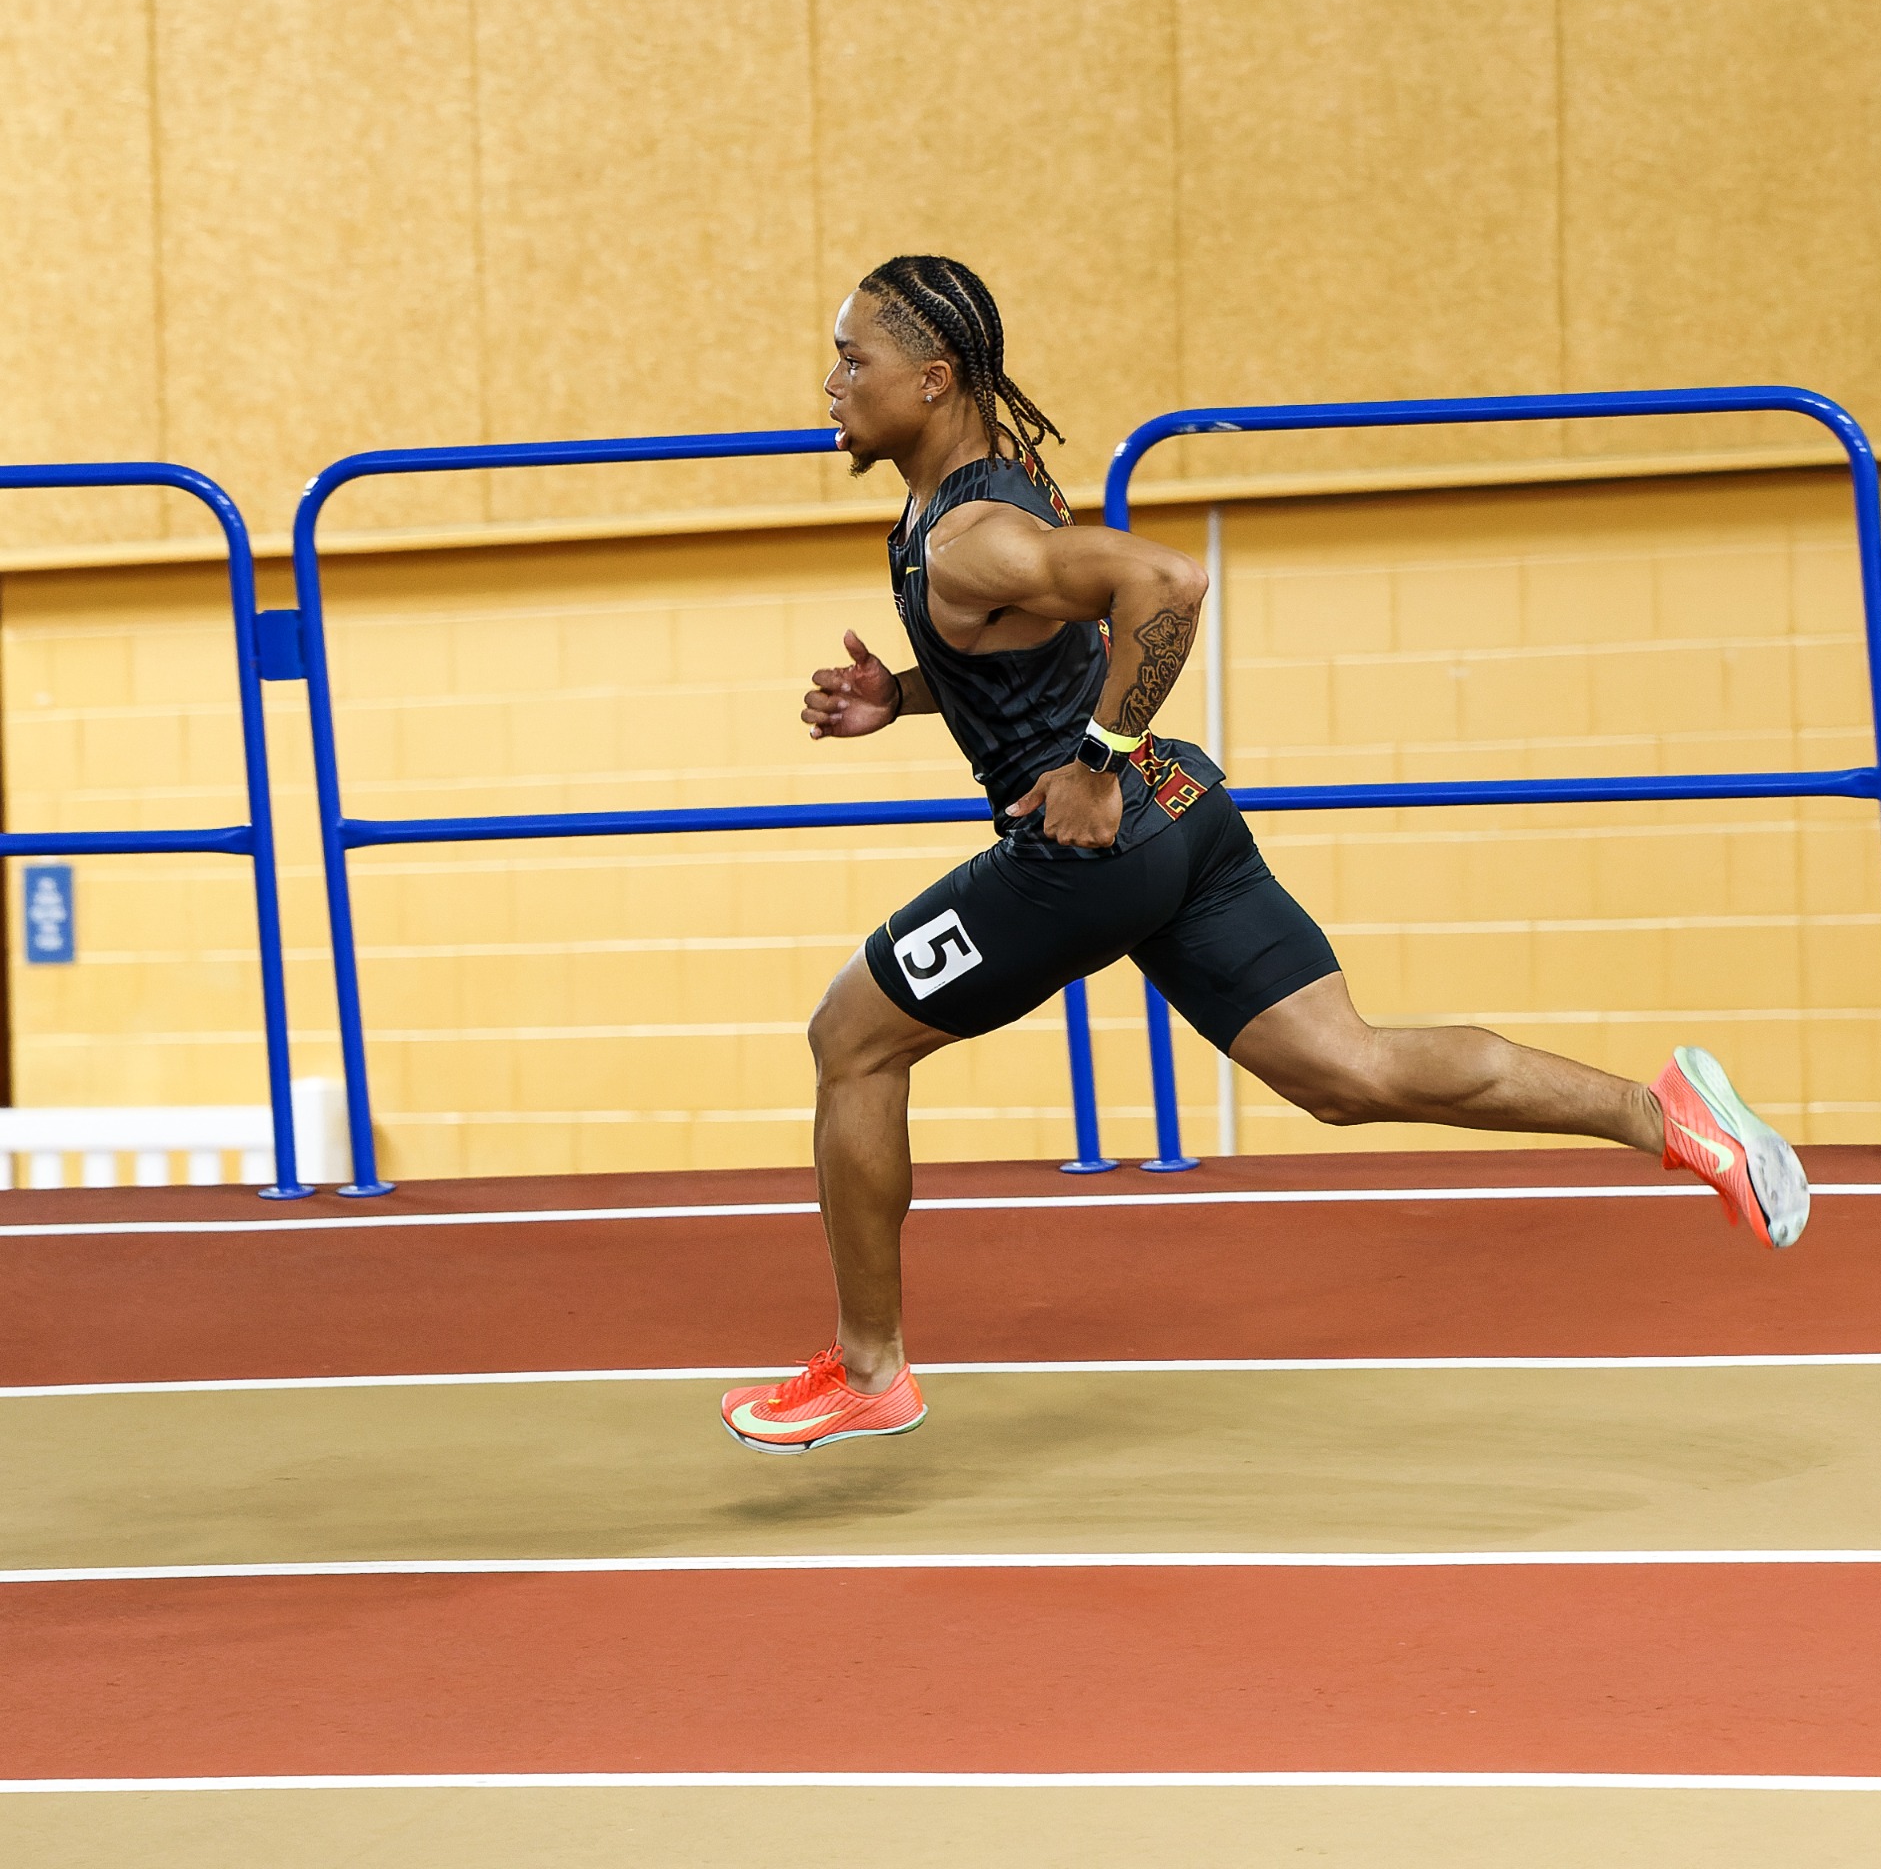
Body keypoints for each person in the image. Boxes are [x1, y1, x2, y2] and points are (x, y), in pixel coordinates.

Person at [720, 254, 1809, 1456]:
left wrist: (1090, 762)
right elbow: (1035, 647)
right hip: (1181, 811)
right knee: (1344, 1070)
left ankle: (869, 1368)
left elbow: (1166, 581)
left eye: (850, 358)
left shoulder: (972, 531)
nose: (828, 382)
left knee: (850, 1037)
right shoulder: (978, 498)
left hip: (1092, 846)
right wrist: (910, 694)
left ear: (930, 380)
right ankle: (1659, 1113)